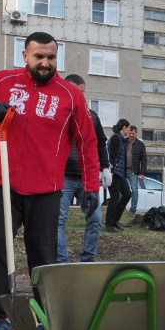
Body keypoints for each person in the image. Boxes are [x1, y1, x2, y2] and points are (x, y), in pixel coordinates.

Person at [0, 31, 99, 330]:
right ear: (25, 56)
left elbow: (87, 142)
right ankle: (2, 318)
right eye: (39, 56)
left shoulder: (70, 95)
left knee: (44, 254)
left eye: (51, 57)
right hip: (2, 184)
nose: (45, 63)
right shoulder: (2, 81)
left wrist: (91, 186)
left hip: (46, 189)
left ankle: (45, 319)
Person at [57, 74, 112, 263]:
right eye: (76, 91)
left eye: (82, 92)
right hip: (63, 177)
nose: (79, 96)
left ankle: (88, 258)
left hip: (86, 178)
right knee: (59, 220)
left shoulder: (91, 116)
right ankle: (61, 262)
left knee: (95, 218)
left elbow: (100, 142)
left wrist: (105, 167)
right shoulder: (57, 114)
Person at [105, 119, 132, 232]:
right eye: (128, 128)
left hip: (120, 173)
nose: (129, 130)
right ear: (124, 127)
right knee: (114, 197)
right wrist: (111, 170)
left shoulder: (121, 139)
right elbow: (112, 155)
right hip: (114, 172)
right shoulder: (115, 138)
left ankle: (115, 220)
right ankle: (109, 224)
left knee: (127, 194)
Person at [126, 125, 147, 217]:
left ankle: (133, 210)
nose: (131, 135)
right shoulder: (124, 142)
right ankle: (120, 208)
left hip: (133, 171)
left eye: (133, 133)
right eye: (130, 133)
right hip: (122, 170)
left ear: (136, 133)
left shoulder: (140, 144)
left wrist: (142, 173)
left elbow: (144, 159)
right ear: (128, 133)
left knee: (134, 190)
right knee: (120, 190)